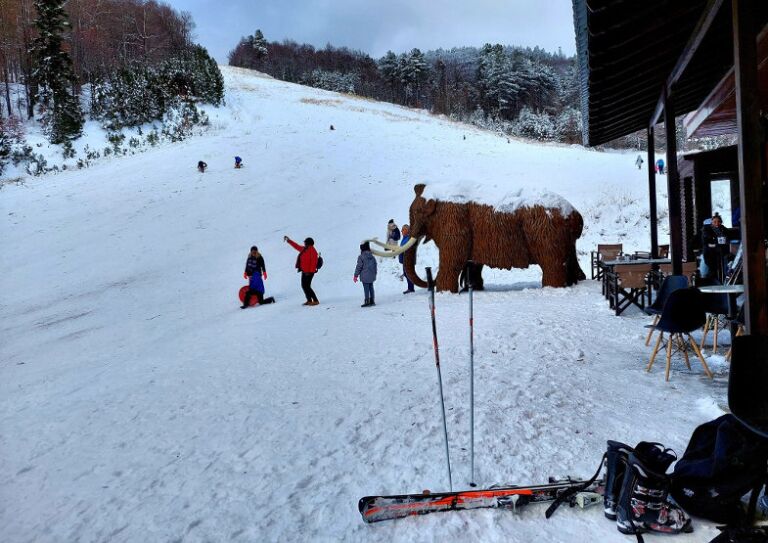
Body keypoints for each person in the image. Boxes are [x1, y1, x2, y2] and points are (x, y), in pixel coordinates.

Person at [285, 235, 320, 306]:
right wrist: (289, 240)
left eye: (305, 242)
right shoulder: (304, 249)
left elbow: (313, 263)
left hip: (309, 272)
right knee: (304, 286)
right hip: (304, 271)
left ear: (308, 243)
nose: (304, 243)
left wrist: (309, 272)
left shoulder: (313, 251)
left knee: (307, 286)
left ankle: (315, 300)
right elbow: (296, 246)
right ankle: (309, 300)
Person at [701, 213, 731, 281]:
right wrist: (715, 242)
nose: (717, 223)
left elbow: (729, 236)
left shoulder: (723, 229)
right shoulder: (707, 229)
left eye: (718, 222)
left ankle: (723, 278)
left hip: (722, 251)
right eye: (715, 222)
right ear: (712, 222)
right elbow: (706, 241)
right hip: (710, 251)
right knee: (712, 268)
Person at [354, 241, 378, 307]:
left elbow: (359, 267)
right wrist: (374, 273)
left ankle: (367, 301)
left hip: (365, 276)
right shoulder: (372, 256)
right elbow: (375, 265)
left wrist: (355, 275)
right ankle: (372, 300)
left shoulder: (361, 257)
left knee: (366, 289)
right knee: (371, 288)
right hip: (372, 275)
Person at [400, 224, 415, 294]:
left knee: (408, 274)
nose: (401, 231)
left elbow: (407, 248)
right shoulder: (405, 238)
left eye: (403, 230)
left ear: (406, 230)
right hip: (405, 259)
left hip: (407, 260)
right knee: (406, 274)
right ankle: (410, 288)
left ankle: (411, 288)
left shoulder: (408, 238)